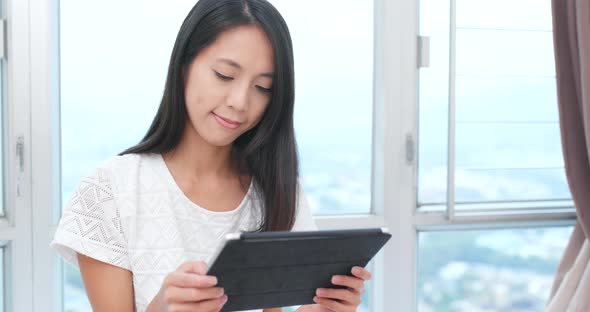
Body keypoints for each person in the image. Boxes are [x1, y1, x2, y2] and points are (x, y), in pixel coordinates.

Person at [50, 0, 372, 311]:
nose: (240, 102)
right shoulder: (111, 192)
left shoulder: (276, 191)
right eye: (224, 75)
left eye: (262, 88)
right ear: (184, 66)